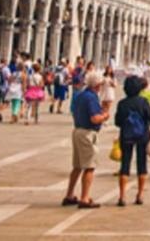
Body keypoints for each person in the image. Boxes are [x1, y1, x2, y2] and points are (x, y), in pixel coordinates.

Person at [63, 70, 110, 209]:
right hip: (87, 133)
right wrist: (105, 116)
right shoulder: (91, 97)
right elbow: (94, 118)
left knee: (77, 166)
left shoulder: (81, 95)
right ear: (96, 85)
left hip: (77, 130)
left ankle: (69, 195)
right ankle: (85, 197)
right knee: (89, 166)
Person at [114, 74, 150, 206]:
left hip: (126, 136)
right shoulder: (143, 101)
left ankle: (122, 196)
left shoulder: (122, 103)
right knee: (141, 164)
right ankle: (140, 194)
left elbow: (118, 122)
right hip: (141, 136)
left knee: (125, 165)